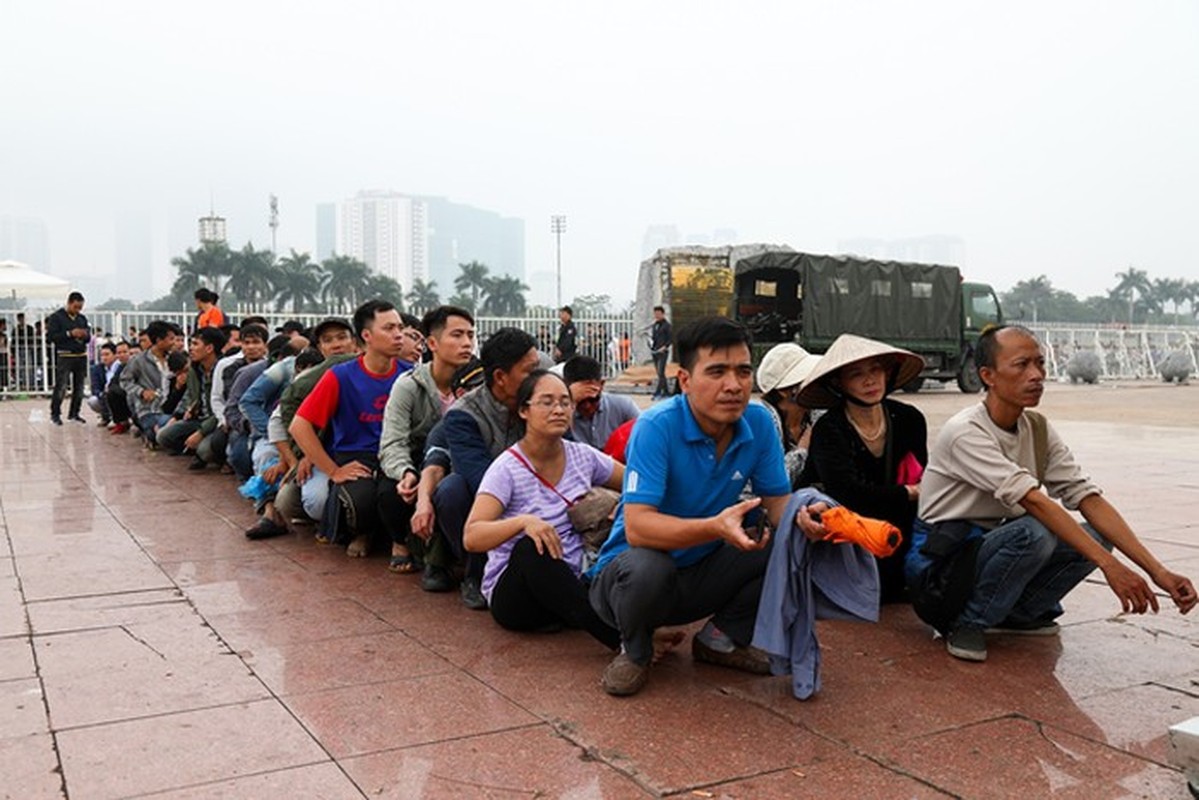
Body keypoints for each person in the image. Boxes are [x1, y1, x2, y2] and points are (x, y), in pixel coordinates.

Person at [909, 325, 1197, 662]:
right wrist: (1109, 567)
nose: (1037, 375)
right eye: (1021, 365)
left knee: (1097, 536)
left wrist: (1157, 571)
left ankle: (1019, 614)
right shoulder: (965, 432)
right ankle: (968, 621)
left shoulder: (1038, 429)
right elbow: (1032, 500)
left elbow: (1087, 497)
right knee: (1035, 532)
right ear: (988, 375)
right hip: (943, 568)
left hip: (993, 547)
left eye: (1040, 364)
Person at [586, 316, 828, 696]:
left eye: (743, 371)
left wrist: (806, 518)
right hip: (628, 580)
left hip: (700, 570)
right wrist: (716, 527)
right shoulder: (656, 427)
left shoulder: (759, 425)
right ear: (684, 380)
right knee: (649, 565)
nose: (733, 385)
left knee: (786, 544)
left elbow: (778, 501)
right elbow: (638, 528)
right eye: (716, 372)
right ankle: (634, 650)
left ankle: (720, 639)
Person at [464, 370, 624, 648]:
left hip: (577, 579)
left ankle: (623, 617)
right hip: (519, 597)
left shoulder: (583, 456)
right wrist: (523, 522)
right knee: (530, 547)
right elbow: (472, 536)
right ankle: (619, 639)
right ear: (524, 410)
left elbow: (638, 483)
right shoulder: (506, 469)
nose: (559, 410)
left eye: (565, 402)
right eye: (547, 402)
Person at [797, 334, 927, 603]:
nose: (870, 381)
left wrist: (911, 493)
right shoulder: (830, 429)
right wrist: (909, 493)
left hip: (896, 527)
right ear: (837, 382)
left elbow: (923, 477)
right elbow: (849, 494)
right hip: (847, 529)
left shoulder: (909, 419)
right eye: (856, 374)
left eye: (876, 370)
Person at [290, 300, 411, 558]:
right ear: (366, 336)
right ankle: (361, 532)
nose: (399, 334)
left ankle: (397, 539)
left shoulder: (411, 375)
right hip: (356, 458)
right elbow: (299, 426)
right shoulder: (340, 375)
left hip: (399, 456)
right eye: (389, 328)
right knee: (360, 501)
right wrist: (333, 470)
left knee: (399, 492)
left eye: (400, 327)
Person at [436, 327, 541, 608]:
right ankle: (475, 571)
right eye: (530, 372)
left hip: (543, 491)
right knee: (451, 490)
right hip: (487, 497)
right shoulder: (463, 414)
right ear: (500, 377)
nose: (538, 379)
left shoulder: (541, 402)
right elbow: (478, 476)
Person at [379, 305, 476, 573]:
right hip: (418, 461)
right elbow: (392, 442)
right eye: (457, 335)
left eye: (470, 335)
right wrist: (406, 472)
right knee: (391, 492)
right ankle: (401, 542)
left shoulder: (478, 383)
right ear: (432, 342)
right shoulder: (409, 385)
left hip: (459, 463)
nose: (466, 343)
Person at [156, 326, 227, 466]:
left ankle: (206, 453)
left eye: (195, 344)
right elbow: (190, 396)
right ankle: (195, 449)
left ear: (209, 348)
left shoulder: (224, 370)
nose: (191, 349)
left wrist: (201, 432)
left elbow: (223, 409)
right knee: (162, 436)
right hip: (198, 419)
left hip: (218, 422)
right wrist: (184, 412)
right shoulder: (194, 370)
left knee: (205, 451)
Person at [756, 343, 822, 489]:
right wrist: (801, 451)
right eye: (809, 379)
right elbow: (772, 481)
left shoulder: (818, 414)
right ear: (785, 391)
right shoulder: (765, 422)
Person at [561, 355, 640, 451]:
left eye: (593, 400)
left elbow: (645, 434)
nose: (587, 406)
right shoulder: (559, 412)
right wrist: (570, 406)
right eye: (581, 402)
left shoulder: (622, 406)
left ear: (601, 385)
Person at [120, 320, 177, 439]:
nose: (174, 343)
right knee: (168, 426)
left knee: (172, 426)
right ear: (158, 340)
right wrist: (141, 392)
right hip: (149, 410)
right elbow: (125, 381)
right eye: (171, 339)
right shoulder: (138, 360)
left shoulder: (174, 359)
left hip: (171, 409)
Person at [46, 291, 91, 425]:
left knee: (80, 387)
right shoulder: (56, 317)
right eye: (75, 307)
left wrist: (84, 335)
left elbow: (89, 337)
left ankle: (74, 413)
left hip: (81, 356)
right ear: (69, 303)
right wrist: (69, 333)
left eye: (80, 308)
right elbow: (51, 337)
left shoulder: (82, 319)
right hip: (65, 355)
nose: (77, 310)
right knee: (61, 386)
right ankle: (55, 414)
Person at [649, 305, 672, 400]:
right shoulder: (655, 325)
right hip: (655, 351)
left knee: (661, 371)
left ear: (663, 314)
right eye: (655, 314)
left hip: (663, 351)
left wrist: (665, 346)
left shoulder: (667, 326)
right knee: (659, 373)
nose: (656, 315)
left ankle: (658, 392)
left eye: (658, 313)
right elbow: (654, 338)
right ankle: (666, 392)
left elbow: (670, 338)